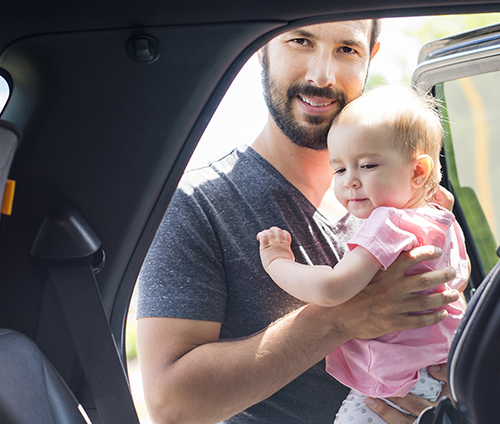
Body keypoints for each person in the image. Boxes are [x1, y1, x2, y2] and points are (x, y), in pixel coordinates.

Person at [136, 20, 461, 424]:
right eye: (301, 41)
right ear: (260, 48)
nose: (322, 76)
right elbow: (171, 405)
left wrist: (446, 394)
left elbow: (447, 317)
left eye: (347, 49)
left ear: (369, 57)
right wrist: (341, 317)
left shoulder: (410, 199)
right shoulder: (195, 205)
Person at [256, 85, 469, 424]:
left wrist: (277, 262)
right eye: (339, 170)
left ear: (417, 171)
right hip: (447, 369)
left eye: (367, 165)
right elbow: (461, 276)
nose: (350, 182)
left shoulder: (387, 222)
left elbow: (331, 289)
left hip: (398, 382)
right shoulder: (442, 218)